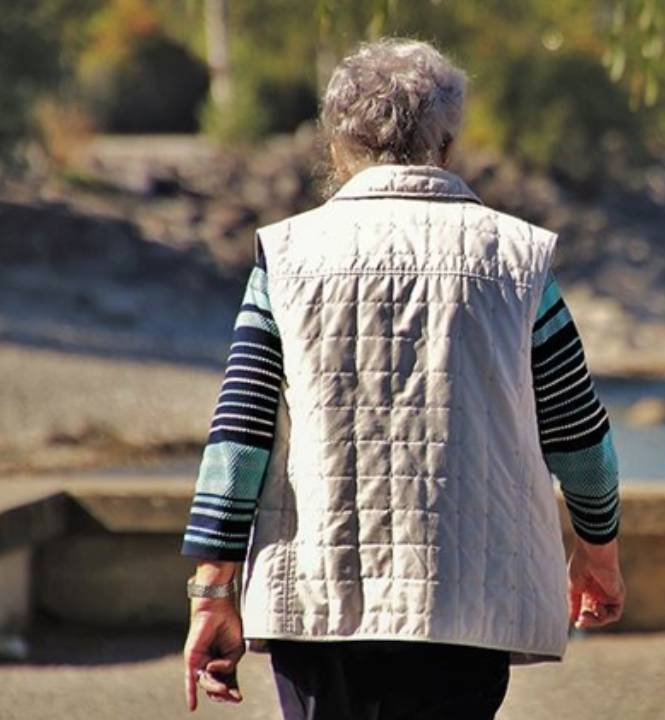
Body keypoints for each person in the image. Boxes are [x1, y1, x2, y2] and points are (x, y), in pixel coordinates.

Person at [180, 38, 625, 719]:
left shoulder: (289, 254)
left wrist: (212, 587)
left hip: (318, 593)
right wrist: (599, 549)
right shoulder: (518, 259)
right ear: (446, 146)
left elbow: (240, 433)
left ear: (340, 145)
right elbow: (578, 432)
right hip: (467, 601)